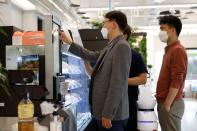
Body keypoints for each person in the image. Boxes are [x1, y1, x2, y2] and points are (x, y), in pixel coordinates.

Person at [60, 10, 131, 131]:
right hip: (101, 112)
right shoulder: (111, 46)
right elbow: (91, 55)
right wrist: (70, 43)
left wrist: (108, 113)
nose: (103, 26)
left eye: (105, 22)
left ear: (114, 24)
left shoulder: (121, 46)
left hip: (111, 116)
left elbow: (118, 84)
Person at [83, 25, 148, 131]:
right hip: (108, 105)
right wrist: (85, 60)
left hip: (128, 103)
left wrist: (120, 81)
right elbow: (95, 75)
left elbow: (143, 79)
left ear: (124, 35)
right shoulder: (108, 53)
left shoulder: (135, 55)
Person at [156, 15, 188, 131]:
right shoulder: (170, 50)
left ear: (173, 30)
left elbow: (177, 79)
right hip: (166, 102)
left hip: (171, 103)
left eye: (162, 28)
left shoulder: (177, 50)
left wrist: (167, 104)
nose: (160, 32)